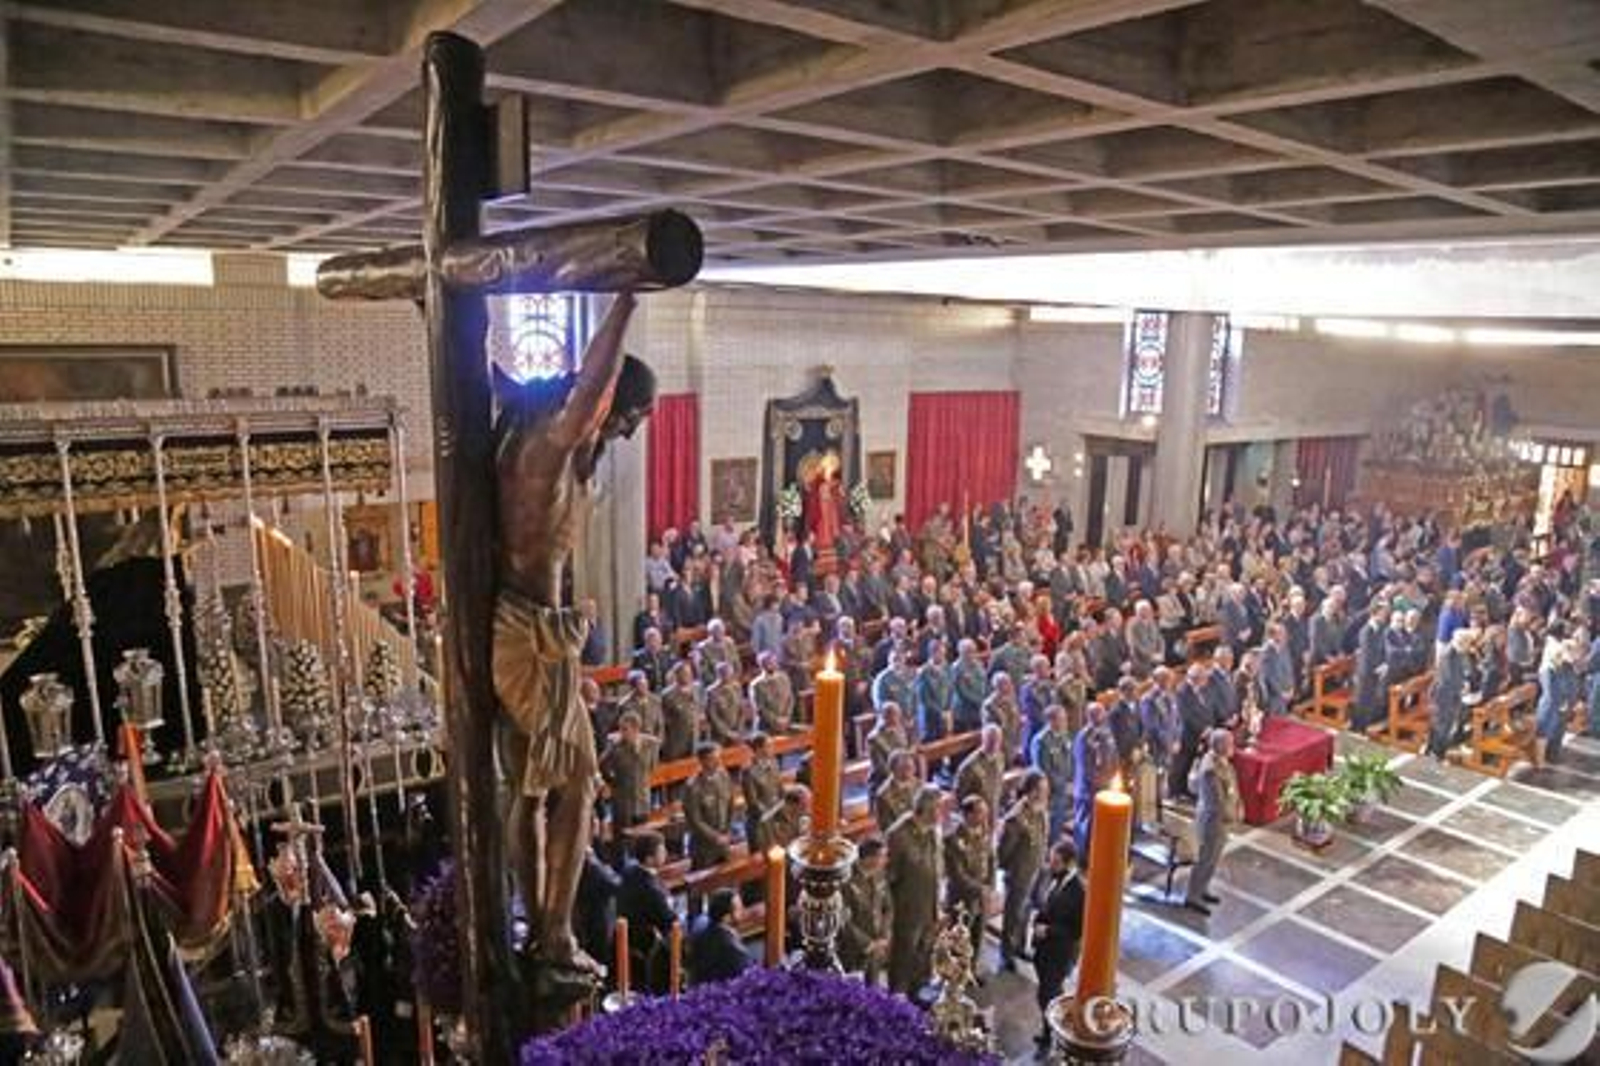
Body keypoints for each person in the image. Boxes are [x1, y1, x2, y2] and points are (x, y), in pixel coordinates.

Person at [887, 786, 944, 996]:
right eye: (938, 808)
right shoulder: (898, 835)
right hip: (907, 910)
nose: (942, 813)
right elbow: (889, 878)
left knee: (924, 956)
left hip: (930, 907)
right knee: (904, 959)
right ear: (926, 808)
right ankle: (897, 1001)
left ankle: (918, 994)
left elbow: (938, 868)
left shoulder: (934, 832)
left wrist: (939, 904)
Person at [1031, 840, 1086, 1053]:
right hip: (1045, 950)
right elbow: (1048, 905)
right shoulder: (1055, 879)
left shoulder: (1079, 893)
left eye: (1055, 862)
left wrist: (1048, 931)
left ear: (1069, 863)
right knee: (1048, 994)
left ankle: (1052, 1036)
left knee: (1047, 996)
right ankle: (1050, 1030)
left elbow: (1077, 930)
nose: (1049, 865)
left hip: (1059, 953)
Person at [996, 770, 1048, 973]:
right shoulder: (1016, 818)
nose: (1045, 793)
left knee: (1027, 911)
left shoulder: (1041, 810)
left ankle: (1019, 945)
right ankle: (1006, 953)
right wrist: (1012, 870)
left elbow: (1043, 835)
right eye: (1041, 790)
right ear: (1031, 791)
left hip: (1036, 868)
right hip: (1019, 872)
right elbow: (1004, 851)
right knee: (1013, 913)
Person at [1184, 729, 1241, 917]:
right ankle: (1193, 896)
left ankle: (1203, 888)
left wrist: (1238, 805)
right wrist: (1231, 815)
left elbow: (1232, 786)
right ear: (1220, 746)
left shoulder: (1223, 763)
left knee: (1214, 858)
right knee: (1205, 857)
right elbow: (1216, 801)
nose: (1233, 746)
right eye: (1230, 743)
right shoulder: (1210, 770)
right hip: (1212, 821)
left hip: (1222, 820)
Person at [617, 832, 677, 993]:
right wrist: (669, 903)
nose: (665, 853)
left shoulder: (630, 871)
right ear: (649, 859)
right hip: (645, 945)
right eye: (661, 850)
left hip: (629, 937)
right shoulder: (650, 889)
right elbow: (670, 921)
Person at [944, 794, 995, 965]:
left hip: (981, 896)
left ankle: (971, 969)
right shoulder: (953, 839)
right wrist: (980, 889)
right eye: (980, 813)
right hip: (963, 898)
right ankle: (955, 974)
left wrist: (991, 884)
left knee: (978, 935)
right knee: (960, 938)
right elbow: (957, 875)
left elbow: (991, 859)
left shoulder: (985, 831)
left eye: (985, 812)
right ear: (968, 815)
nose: (985, 817)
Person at [839, 836, 892, 986]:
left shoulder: (880, 877)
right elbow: (844, 920)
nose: (885, 861)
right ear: (869, 858)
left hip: (876, 950)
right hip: (852, 951)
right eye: (882, 856)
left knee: (873, 992)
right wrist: (868, 944)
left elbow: (887, 908)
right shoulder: (846, 880)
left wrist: (884, 936)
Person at [599, 710, 659, 838]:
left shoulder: (650, 744)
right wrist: (612, 781)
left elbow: (652, 766)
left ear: (636, 728)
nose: (622, 732)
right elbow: (601, 765)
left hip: (642, 797)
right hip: (623, 799)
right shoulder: (615, 746)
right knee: (622, 836)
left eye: (625, 729)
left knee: (643, 836)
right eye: (620, 729)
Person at [1071, 700, 1119, 856]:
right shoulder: (1083, 737)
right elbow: (1085, 766)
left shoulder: (1106, 732)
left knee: (1099, 824)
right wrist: (1100, 781)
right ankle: (1081, 855)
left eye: (1100, 713)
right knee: (1085, 824)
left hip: (1105, 785)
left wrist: (1112, 775)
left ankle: (1096, 851)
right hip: (1088, 789)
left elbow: (1114, 755)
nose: (1099, 716)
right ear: (1088, 716)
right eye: (1094, 714)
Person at [683, 743, 735, 871]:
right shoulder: (693, 786)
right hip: (704, 846)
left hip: (724, 841)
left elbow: (730, 804)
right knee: (703, 884)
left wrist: (728, 830)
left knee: (726, 878)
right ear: (702, 761)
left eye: (719, 758)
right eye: (713, 759)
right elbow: (695, 820)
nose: (718, 762)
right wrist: (716, 837)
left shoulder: (723, 775)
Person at [688, 888, 753, 986]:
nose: (744, 911)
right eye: (739, 909)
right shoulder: (732, 949)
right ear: (726, 917)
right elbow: (747, 978)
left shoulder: (702, 929)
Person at [1029, 704, 1074, 844]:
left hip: (1061, 790)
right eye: (1062, 719)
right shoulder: (1041, 741)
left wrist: (1071, 779)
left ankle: (1055, 849)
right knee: (1048, 826)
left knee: (1058, 823)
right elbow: (1044, 770)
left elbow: (1070, 759)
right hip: (1049, 792)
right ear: (1051, 721)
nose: (1065, 722)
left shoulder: (1064, 736)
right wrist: (1063, 785)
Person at [1427, 627, 1471, 760]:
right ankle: (1436, 752)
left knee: (1448, 723)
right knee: (1442, 723)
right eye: (1466, 642)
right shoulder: (1448, 653)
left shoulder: (1460, 652)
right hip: (1443, 694)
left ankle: (1437, 749)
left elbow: (1465, 669)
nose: (1468, 646)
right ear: (1460, 641)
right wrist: (1462, 687)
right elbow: (1448, 677)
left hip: (1454, 693)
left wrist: (1466, 682)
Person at [742, 733, 782, 846]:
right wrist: (770, 812)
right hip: (759, 821)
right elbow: (753, 802)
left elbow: (779, 788)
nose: (772, 749)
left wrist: (781, 806)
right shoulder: (749, 771)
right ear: (759, 749)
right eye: (768, 746)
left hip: (774, 816)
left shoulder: (774, 762)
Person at [956, 724, 1005, 815]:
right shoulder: (969, 766)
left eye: (997, 740)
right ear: (983, 740)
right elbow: (960, 795)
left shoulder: (1000, 757)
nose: (994, 744)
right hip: (977, 814)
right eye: (991, 740)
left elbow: (999, 782)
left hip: (994, 808)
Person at [661, 661, 703, 762]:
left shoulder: (697, 688)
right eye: (685, 673)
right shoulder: (667, 695)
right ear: (677, 675)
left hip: (694, 738)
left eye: (689, 673)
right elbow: (664, 720)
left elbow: (700, 707)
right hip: (676, 740)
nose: (688, 676)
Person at [915, 640, 955, 741]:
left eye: (943, 653)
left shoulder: (947, 668)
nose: (943, 657)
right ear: (932, 653)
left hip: (945, 714)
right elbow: (924, 699)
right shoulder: (923, 673)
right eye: (940, 654)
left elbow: (951, 688)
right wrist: (940, 712)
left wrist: (948, 708)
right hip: (929, 718)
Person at [874, 749, 920, 832]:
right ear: (895, 770)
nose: (912, 771)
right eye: (907, 767)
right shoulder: (884, 795)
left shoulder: (917, 784)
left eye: (912, 766)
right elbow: (886, 827)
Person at [750, 652, 795, 735]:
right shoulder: (757, 684)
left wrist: (786, 716)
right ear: (762, 665)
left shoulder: (784, 677)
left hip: (784, 722)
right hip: (766, 727)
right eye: (769, 663)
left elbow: (790, 698)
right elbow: (760, 708)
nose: (773, 664)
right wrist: (776, 720)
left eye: (774, 662)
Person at [867, 703, 910, 788]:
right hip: (882, 783)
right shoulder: (874, 738)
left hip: (902, 776)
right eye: (896, 715)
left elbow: (904, 752)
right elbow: (881, 768)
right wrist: (900, 777)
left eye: (899, 715)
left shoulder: (900, 730)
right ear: (885, 717)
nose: (898, 719)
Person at [704, 661, 746, 745]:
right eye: (724, 673)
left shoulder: (736, 687)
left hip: (737, 731)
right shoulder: (712, 691)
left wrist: (739, 728)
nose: (728, 676)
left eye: (730, 673)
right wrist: (727, 733)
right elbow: (712, 716)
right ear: (718, 675)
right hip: (719, 734)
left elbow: (741, 709)